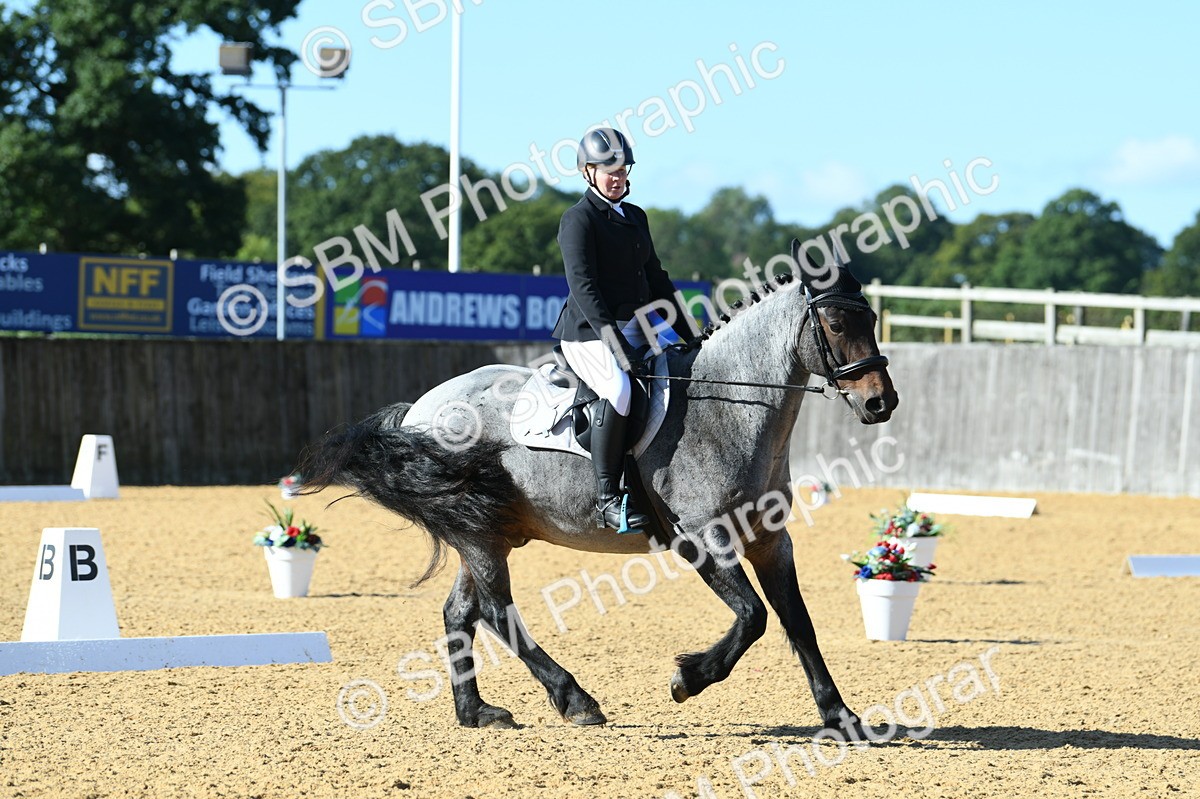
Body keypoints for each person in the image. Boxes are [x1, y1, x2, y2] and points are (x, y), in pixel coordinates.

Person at [551, 127, 698, 532]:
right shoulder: (577, 220)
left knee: (690, 370)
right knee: (619, 389)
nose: (616, 177)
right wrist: (617, 349)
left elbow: (657, 280)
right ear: (588, 172)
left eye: (621, 168)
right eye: (607, 170)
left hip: (639, 325)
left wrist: (691, 333)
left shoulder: (635, 217)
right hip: (589, 331)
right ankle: (607, 497)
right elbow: (585, 289)